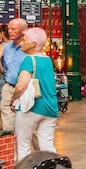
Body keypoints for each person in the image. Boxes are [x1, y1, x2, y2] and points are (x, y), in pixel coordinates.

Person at [12, 27, 59, 160]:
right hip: (50, 108)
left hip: (31, 107)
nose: (21, 43)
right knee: (47, 146)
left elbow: (21, 86)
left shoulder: (29, 60)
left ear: (33, 44)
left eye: (24, 40)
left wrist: (13, 99)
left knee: (23, 146)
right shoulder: (47, 60)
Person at [0, 18, 28, 131]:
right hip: (9, 87)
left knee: (29, 126)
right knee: (8, 125)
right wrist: (4, 71)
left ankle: (38, 149)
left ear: (23, 30)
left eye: (13, 29)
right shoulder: (6, 47)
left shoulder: (29, 48)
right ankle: (11, 147)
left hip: (25, 89)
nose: (10, 31)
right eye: (9, 29)